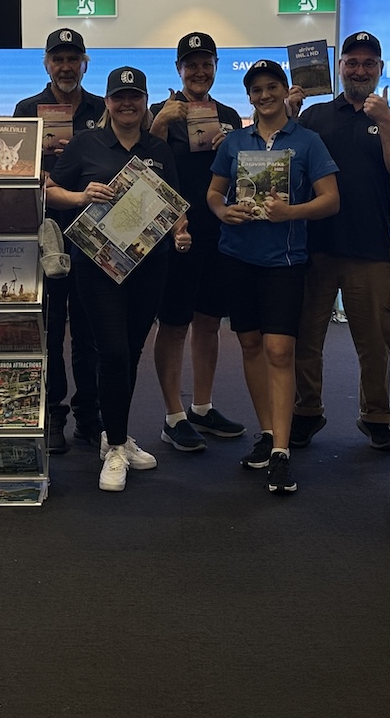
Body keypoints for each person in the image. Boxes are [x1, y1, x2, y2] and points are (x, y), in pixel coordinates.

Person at [46, 66, 188, 492]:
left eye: (135, 97)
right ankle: (114, 448)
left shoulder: (158, 149)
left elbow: (175, 206)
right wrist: (81, 195)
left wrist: (181, 232)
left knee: (131, 350)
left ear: (145, 103)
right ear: (107, 103)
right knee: (110, 353)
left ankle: (117, 438)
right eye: (119, 97)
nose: (127, 104)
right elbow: (49, 189)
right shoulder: (87, 143)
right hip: (97, 266)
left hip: (150, 265)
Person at [208, 60, 339, 495]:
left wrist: (291, 212)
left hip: (284, 260)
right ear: (248, 96)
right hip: (236, 256)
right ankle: (267, 435)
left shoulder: (307, 141)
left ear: (286, 90)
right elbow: (214, 192)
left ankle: (282, 452)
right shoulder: (234, 142)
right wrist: (222, 210)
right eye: (256, 90)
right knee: (249, 344)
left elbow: (331, 201)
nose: (264, 96)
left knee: (280, 350)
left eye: (271, 88)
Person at [287, 31, 390, 452]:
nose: (359, 70)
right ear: (339, 67)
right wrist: (289, 115)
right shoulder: (316, 116)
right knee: (306, 336)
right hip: (316, 245)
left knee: (376, 339)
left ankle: (376, 416)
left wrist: (387, 120)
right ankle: (306, 411)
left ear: (379, 68)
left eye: (368, 64)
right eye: (351, 63)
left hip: (370, 246)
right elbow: (288, 170)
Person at [147, 31, 247, 452]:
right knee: (172, 325)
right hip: (173, 235)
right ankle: (173, 415)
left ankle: (203, 407)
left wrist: (233, 149)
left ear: (216, 67)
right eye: (191, 64)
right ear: (179, 70)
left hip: (217, 233)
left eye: (206, 63)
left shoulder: (227, 115)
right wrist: (161, 123)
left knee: (208, 322)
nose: (199, 71)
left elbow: (240, 180)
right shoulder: (158, 112)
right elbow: (140, 167)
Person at [15, 28, 105, 455]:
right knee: (48, 329)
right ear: (46, 64)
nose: (66, 66)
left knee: (89, 329)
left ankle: (90, 416)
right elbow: (10, 165)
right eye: (58, 59)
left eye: (73, 59)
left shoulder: (102, 109)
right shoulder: (26, 109)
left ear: (84, 62)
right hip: (44, 230)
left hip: (93, 231)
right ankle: (52, 415)